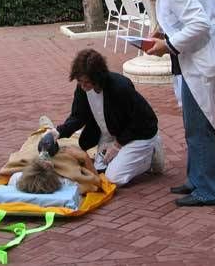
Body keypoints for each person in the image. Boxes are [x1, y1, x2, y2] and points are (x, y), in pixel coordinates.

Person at [124, 0, 215, 207]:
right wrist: (164, 31)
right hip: (194, 60)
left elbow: (199, 24)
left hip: (202, 60)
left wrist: (168, 44)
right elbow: (186, 18)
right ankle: (196, 179)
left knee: (200, 126)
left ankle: (207, 189)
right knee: (193, 123)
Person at [47, 49, 164, 189]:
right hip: (113, 133)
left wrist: (118, 145)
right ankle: (133, 156)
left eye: (87, 82)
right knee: (100, 169)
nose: (83, 87)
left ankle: (150, 154)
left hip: (140, 134)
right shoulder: (82, 89)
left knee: (113, 178)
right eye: (80, 81)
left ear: (98, 78)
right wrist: (57, 132)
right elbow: (78, 116)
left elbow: (143, 120)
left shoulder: (120, 88)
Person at [0, 116, 101, 197]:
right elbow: (96, 182)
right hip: (69, 147)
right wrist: (84, 157)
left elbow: (3, 175)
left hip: (36, 149)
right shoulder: (67, 182)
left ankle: (46, 128)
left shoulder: (16, 178)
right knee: (76, 138)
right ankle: (55, 129)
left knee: (35, 142)